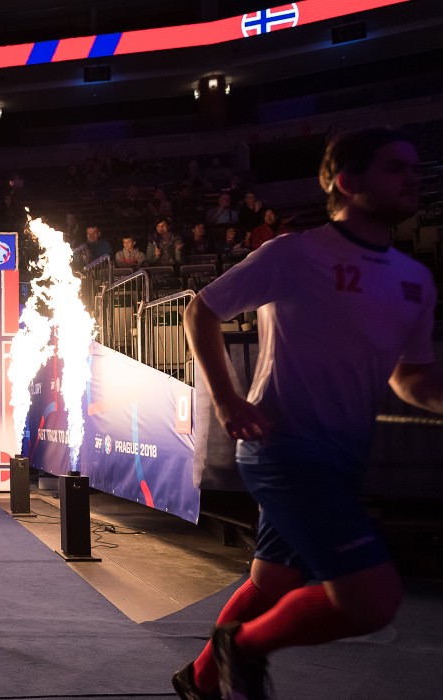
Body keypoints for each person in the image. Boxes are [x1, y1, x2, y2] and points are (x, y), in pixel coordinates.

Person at [174, 127, 443, 700]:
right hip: (284, 449)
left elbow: (411, 377)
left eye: (414, 167)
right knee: (371, 600)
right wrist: (227, 399)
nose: (411, 177)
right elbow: (201, 310)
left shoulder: (416, 280)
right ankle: (240, 649)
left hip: (345, 456)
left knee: (272, 580)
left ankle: (199, 680)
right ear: (348, 181)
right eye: (395, 167)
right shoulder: (297, 253)